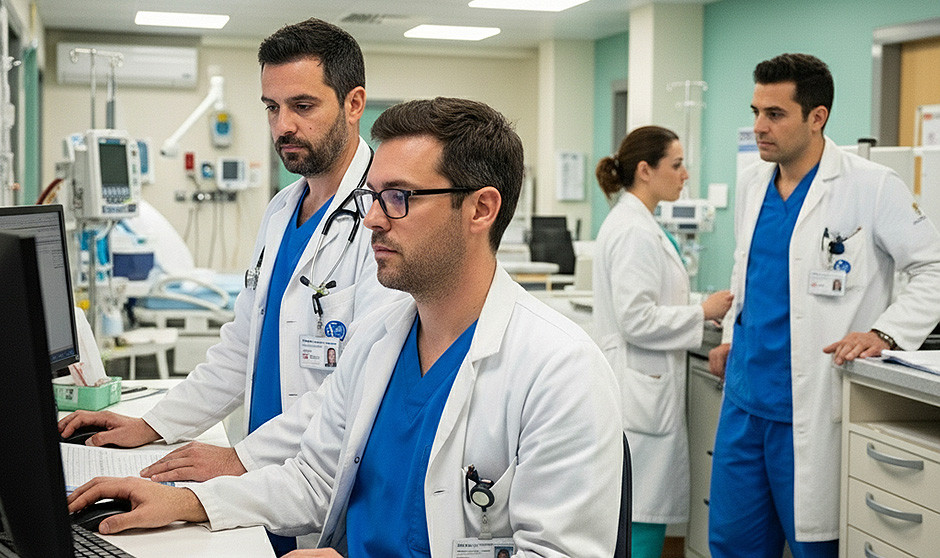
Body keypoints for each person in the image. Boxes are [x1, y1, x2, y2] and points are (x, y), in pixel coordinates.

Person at [67, 97, 624, 557]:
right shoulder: (378, 337)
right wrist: (186, 500)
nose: (375, 218)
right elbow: (314, 477)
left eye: (399, 198)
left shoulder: (560, 370)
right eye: (372, 196)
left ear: (481, 209)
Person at [58, 18, 400, 553]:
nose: (282, 125)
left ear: (354, 103)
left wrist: (242, 459)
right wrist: (152, 423)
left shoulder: (384, 222)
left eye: (302, 106)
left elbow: (358, 383)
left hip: (321, 489)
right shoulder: (283, 209)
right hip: (262, 480)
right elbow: (242, 345)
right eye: (271, 107)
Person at [707, 53, 940, 557]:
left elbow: (933, 268)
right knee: (733, 545)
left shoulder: (871, 186)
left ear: (817, 117)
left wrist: (885, 334)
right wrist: (729, 336)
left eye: (775, 114)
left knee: (817, 546)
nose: (759, 127)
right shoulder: (753, 182)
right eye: (755, 111)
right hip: (744, 403)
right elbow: (746, 268)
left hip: (811, 406)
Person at [593, 125, 733, 558]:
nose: (685, 174)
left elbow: (650, 298)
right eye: (676, 164)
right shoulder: (634, 230)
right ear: (645, 170)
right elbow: (637, 318)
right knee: (643, 514)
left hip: (643, 386)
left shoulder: (638, 222)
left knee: (642, 510)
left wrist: (698, 303)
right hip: (641, 392)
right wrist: (702, 313)